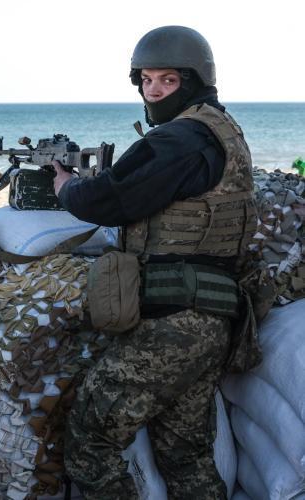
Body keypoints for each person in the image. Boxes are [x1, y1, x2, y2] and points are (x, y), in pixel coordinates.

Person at [52, 26, 257, 499]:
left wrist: (67, 188)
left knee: (90, 437)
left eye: (168, 80)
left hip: (175, 323)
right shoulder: (222, 130)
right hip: (212, 319)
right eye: (146, 80)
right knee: (186, 456)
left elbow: (112, 198)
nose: (154, 91)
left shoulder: (182, 138)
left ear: (194, 81)